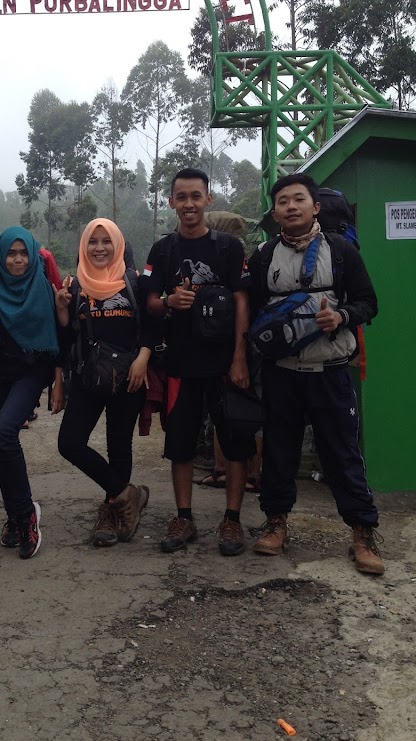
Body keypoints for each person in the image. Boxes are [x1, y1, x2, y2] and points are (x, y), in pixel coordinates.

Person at [248, 173, 384, 575]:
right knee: (278, 451)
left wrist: (341, 316)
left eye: (298, 200)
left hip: (331, 370)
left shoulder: (341, 252)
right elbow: (252, 310)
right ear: (274, 212)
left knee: (343, 453)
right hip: (282, 372)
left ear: (315, 206)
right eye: (283, 201)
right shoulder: (263, 256)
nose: (290, 207)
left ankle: (362, 533)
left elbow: (368, 303)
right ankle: (276, 524)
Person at [143, 168, 255, 556]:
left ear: (209, 199)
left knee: (236, 441)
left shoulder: (227, 248)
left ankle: (232, 520)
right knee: (180, 444)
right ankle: (184, 517)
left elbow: (242, 299)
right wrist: (168, 303)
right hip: (180, 364)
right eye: (181, 197)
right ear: (170, 202)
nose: (188, 204)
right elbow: (150, 302)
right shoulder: (162, 251)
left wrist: (240, 356)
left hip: (225, 364)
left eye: (196, 196)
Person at [0, 226, 65, 560]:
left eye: (24, 253)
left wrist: (57, 382)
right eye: (12, 253)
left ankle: (26, 517)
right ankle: (13, 515)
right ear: (1, 256)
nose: (18, 259)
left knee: (6, 430)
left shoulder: (44, 289)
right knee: (1, 442)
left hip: (30, 372)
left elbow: (57, 340)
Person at [57, 218, 155, 547]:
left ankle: (112, 513)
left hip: (130, 374)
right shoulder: (75, 285)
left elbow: (153, 326)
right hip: (89, 375)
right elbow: (68, 337)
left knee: (118, 446)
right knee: (69, 443)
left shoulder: (135, 283)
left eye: (106, 241)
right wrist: (62, 311)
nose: (99, 248)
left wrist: (143, 357)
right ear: (83, 246)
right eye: (92, 242)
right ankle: (128, 495)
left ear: (118, 245)